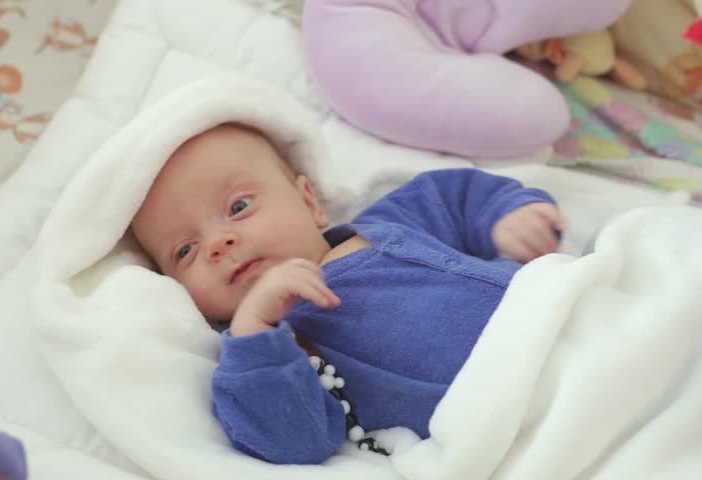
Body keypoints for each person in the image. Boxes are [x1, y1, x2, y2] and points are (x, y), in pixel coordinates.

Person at [130, 123, 567, 465]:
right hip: (511, 420)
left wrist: (505, 217)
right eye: (184, 251)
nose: (217, 243)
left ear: (308, 201)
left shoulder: (385, 222)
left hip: (562, 322)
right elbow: (291, 443)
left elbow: (455, 196)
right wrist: (255, 332)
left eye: (239, 207)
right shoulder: (269, 352)